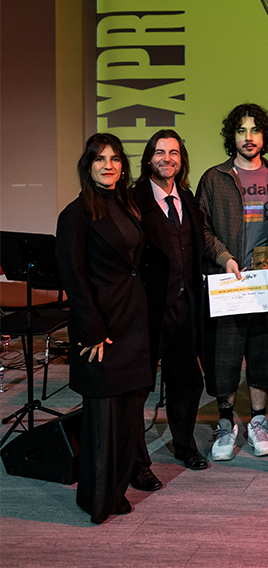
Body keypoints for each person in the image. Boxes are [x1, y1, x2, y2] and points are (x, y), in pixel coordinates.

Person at [56, 133, 154, 523]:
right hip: (102, 326)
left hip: (132, 320)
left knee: (128, 414)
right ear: (88, 166)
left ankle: (115, 491)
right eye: (100, 159)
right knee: (103, 417)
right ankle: (96, 499)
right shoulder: (75, 214)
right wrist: (92, 329)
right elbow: (73, 276)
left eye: (114, 159)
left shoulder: (127, 204)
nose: (108, 165)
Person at [196, 103, 268, 461]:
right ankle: (225, 422)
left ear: (264, 136)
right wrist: (225, 257)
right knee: (223, 357)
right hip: (227, 283)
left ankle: (257, 421)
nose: (248, 137)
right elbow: (201, 228)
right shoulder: (214, 178)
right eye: (241, 131)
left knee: (263, 354)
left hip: (266, 284)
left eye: (255, 130)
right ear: (231, 136)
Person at [133, 130, 207, 471]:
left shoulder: (188, 199)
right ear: (149, 159)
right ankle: (136, 460)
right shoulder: (132, 201)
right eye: (160, 152)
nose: (167, 158)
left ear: (181, 160)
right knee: (138, 386)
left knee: (187, 381)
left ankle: (184, 446)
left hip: (186, 305)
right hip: (146, 310)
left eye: (174, 152)